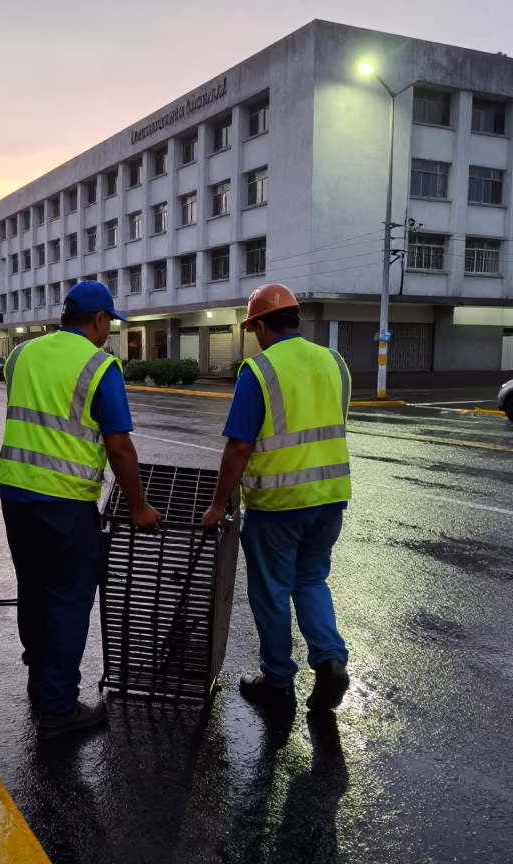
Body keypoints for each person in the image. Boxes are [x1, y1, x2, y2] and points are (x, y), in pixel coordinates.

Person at [0, 280, 162, 740]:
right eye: (108, 321)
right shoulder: (100, 365)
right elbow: (120, 448)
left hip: (15, 494)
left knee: (33, 588)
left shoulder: (21, 355)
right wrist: (139, 506)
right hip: (66, 502)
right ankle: (59, 707)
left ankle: (39, 680)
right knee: (70, 599)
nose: (108, 330)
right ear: (97, 320)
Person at [201, 283, 352, 712]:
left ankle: (278, 681)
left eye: (254, 329)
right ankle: (329, 660)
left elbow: (238, 447)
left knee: (271, 591)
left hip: (278, 506)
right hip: (330, 498)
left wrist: (217, 506)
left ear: (263, 326)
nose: (255, 337)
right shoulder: (335, 363)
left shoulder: (260, 370)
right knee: (311, 580)